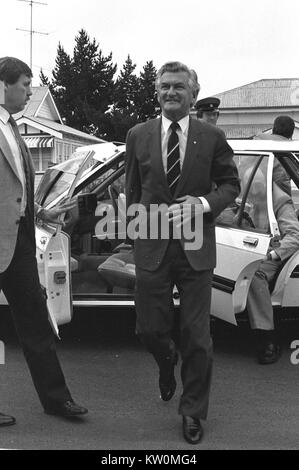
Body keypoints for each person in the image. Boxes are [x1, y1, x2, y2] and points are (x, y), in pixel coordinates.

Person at [125, 61, 240, 444]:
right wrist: (135, 233)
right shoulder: (138, 135)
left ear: (193, 92)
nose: (170, 92)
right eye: (164, 87)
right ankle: (165, 361)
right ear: (157, 92)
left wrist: (203, 205)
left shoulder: (212, 136)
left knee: (197, 335)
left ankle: (192, 411)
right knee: (149, 329)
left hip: (195, 247)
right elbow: (133, 191)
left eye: (178, 86)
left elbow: (229, 185)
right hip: (152, 243)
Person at [0, 57, 88, 427]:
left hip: (17, 241)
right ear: (3, 85)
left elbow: (15, 186)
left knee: (35, 320)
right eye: (25, 84)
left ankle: (57, 400)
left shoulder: (13, 128)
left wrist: (41, 213)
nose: (30, 92)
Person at [244, 166, 299, 364]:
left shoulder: (280, 202)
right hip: (254, 248)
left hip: (273, 254)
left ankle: (266, 336)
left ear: (263, 186)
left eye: (254, 188)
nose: (250, 194)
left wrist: (273, 255)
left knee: (254, 274)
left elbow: (294, 236)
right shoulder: (253, 198)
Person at [254, 115, 295, 197]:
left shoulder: (256, 143)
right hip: (274, 200)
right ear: (291, 134)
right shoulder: (288, 152)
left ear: (273, 129)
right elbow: (284, 193)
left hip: (250, 196)